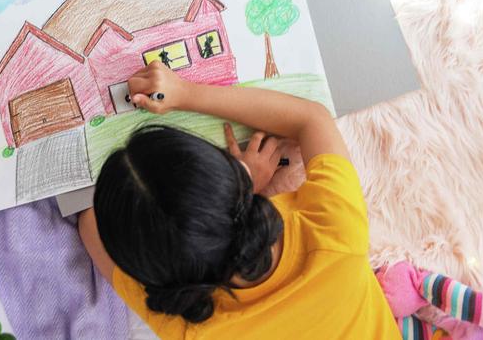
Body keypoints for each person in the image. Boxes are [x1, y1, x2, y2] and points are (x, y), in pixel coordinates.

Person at [78, 61, 401, 339]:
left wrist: (243, 183)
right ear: (225, 175)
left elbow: (89, 224)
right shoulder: (336, 233)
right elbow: (312, 118)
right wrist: (185, 93)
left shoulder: (192, 329)